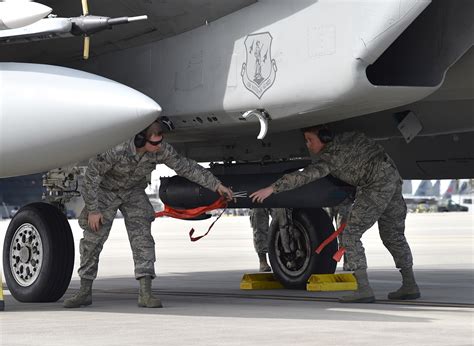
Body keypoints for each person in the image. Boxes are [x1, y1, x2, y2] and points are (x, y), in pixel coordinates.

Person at [64, 121, 233, 308]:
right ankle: (84, 291)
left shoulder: (160, 149)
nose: (158, 147)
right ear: (140, 140)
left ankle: (145, 294)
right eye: (154, 143)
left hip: (133, 191)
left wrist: (216, 185)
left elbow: (186, 167)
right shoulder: (117, 149)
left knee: (143, 239)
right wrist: (94, 210)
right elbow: (91, 176)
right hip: (106, 191)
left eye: (160, 142)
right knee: (93, 239)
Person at [250, 126, 420, 303]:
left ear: (323, 138)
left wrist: (272, 188)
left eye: (310, 140)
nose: (308, 145)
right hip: (392, 177)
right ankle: (410, 284)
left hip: (375, 186)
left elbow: (305, 176)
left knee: (351, 234)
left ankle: (363, 288)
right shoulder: (351, 135)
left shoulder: (329, 158)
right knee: (393, 235)